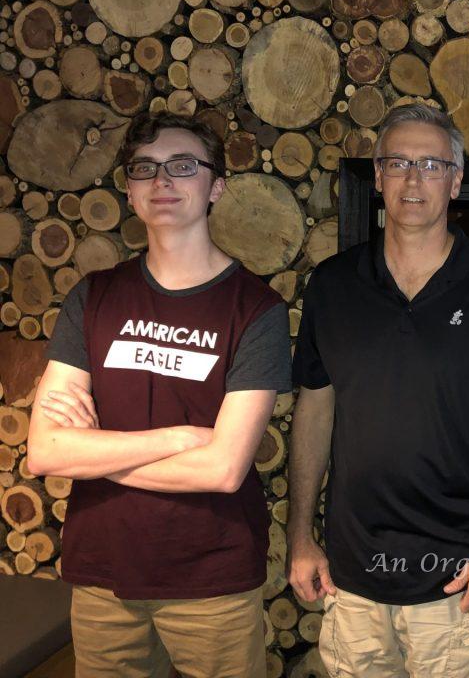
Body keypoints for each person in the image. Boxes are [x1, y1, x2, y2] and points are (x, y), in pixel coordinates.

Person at [287, 103, 469, 678]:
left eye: (432, 164)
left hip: (455, 583)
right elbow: (314, 412)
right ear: (379, 177)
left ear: (456, 180)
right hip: (352, 580)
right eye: (398, 163)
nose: (414, 179)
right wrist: (299, 537)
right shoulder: (333, 287)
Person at [26, 112, 292, 678]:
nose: (162, 181)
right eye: (145, 169)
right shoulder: (94, 297)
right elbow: (46, 452)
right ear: (129, 189)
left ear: (215, 186)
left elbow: (223, 469)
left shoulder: (256, 310)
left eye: (182, 167)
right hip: (103, 573)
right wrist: (174, 439)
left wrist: (95, 452)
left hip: (211, 580)